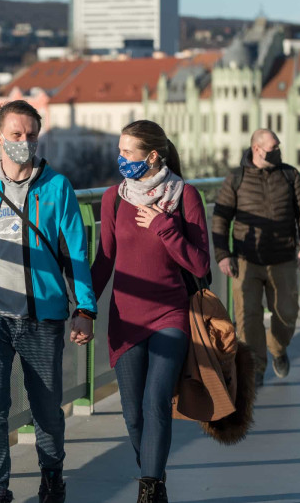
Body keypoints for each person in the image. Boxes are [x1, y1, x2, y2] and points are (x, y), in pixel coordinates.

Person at [0, 100, 97, 503]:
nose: (23, 142)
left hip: (42, 316)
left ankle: (52, 475)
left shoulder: (57, 188)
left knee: (47, 410)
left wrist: (84, 310)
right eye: (15, 135)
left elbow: (75, 254)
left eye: (30, 135)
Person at [90, 120, 210, 503]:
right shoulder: (114, 198)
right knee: (132, 413)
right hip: (125, 318)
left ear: (153, 155)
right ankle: (154, 478)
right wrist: (84, 308)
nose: (120, 158)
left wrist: (163, 226)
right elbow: (104, 260)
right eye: (119, 150)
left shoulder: (185, 196)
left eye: (127, 152)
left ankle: (149, 489)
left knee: (155, 400)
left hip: (169, 315)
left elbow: (200, 265)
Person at [212, 129, 300, 387]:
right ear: (257, 149)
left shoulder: (289, 174)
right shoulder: (236, 178)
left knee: (286, 313)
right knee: (247, 317)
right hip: (245, 259)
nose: (279, 151)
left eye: (279, 146)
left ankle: (278, 349)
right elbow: (221, 218)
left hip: (283, 257)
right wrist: (223, 254)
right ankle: (256, 367)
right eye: (273, 148)